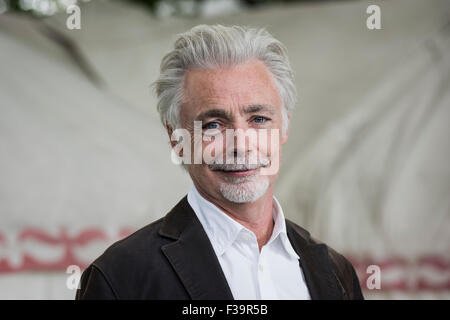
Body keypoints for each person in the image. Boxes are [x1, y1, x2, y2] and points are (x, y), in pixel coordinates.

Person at [76, 24, 364, 300]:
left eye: (259, 119)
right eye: (214, 124)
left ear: (285, 127)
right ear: (176, 138)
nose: (240, 144)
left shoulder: (334, 273)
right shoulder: (120, 279)